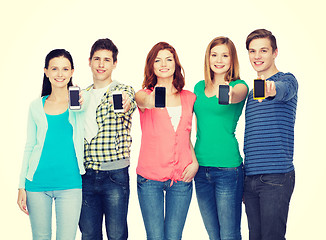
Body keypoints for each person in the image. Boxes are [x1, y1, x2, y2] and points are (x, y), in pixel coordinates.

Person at [17, 49, 85, 240]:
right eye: (54, 69)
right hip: (37, 183)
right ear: (46, 71)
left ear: (72, 72)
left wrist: (83, 101)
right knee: (40, 237)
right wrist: (21, 185)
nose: (60, 74)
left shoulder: (80, 103)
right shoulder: (35, 106)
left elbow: (92, 127)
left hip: (70, 184)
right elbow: (29, 145)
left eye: (65, 69)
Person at [135, 42, 198, 240]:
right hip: (149, 179)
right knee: (155, 237)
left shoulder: (189, 98)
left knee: (174, 237)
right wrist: (152, 100)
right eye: (158, 60)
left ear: (175, 64)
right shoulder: (144, 95)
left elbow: (185, 136)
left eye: (169, 59)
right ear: (151, 65)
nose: (164, 64)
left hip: (181, 179)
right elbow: (142, 101)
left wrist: (194, 162)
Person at [78, 38, 136, 240]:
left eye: (106, 60)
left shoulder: (123, 90)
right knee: (89, 234)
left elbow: (127, 103)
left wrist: (126, 103)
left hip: (115, 175)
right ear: (89, 62)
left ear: (114, 64)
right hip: (85, 175)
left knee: (117, 235)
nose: (101, 64)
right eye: (97, 59)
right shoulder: (81, 95)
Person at [243, 29, 298, 240]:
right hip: (251, 178)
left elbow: (283, 90)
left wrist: (271, 89)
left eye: (263, 50)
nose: (257, 56)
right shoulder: (250, 94)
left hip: (276, 177)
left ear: (275, 52)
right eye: (252, 51)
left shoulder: (288, 80)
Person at [193, 37, 248, 240]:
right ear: (208, 58)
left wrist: (230, 92)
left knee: (229, 234)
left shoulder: (239, 85)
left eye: (225, 55)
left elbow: (238, 94)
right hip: (200, 169)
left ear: (232, 60)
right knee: (213, 234)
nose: (219, 60)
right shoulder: (198, 88)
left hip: (228, 170)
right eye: (214, 54)